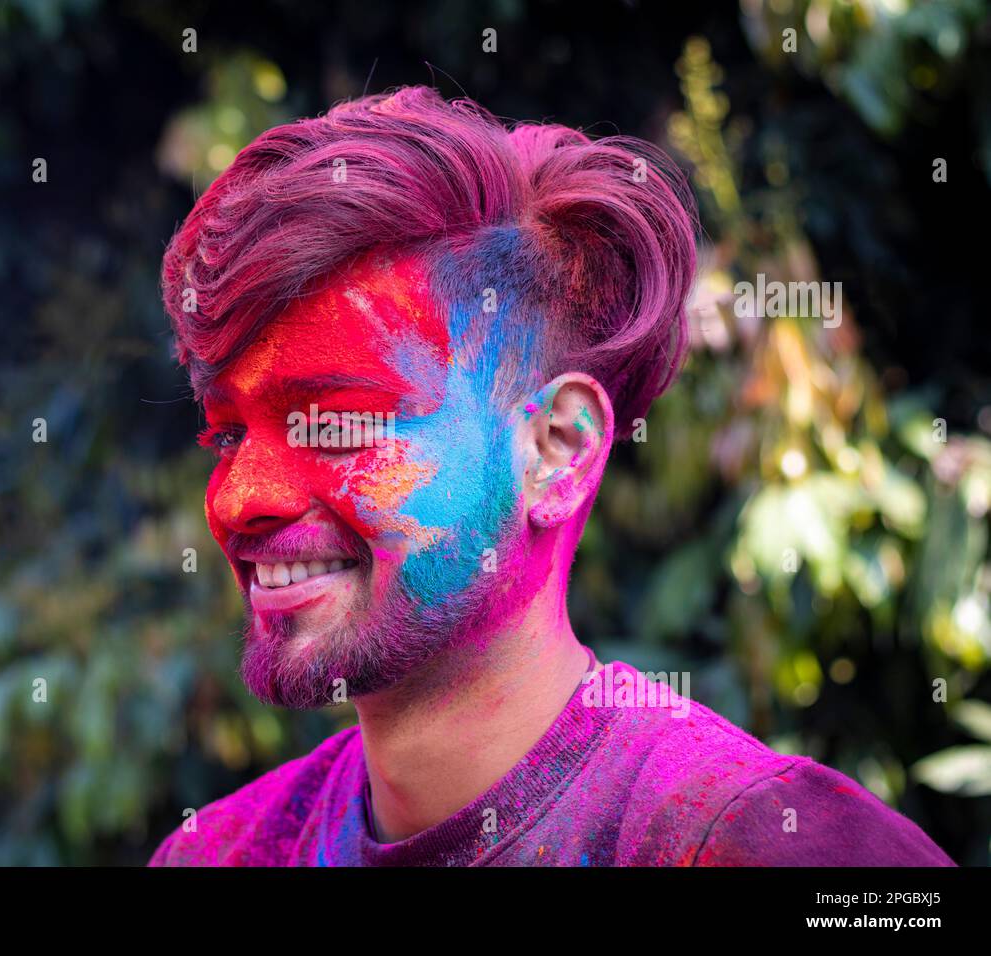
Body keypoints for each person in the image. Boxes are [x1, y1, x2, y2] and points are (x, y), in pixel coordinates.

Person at [148, 86, 953, 866]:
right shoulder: (218, 852)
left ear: (557, 449)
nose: (240, 497)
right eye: (225, 434)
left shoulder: (769, 844)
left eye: (333, 423)